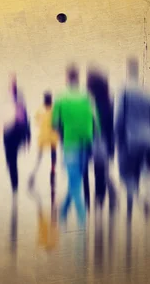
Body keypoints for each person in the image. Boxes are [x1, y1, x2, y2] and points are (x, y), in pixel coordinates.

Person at [115, 57, 150, 221]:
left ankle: (142, 200)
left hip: (130, 140)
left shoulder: (123, 91)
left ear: (127, 71)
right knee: (144, 171)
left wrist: (118, 140)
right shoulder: (148, 91)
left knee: (125, 175)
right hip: (148, 139)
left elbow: (119, 118)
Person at [52, 64, 96, 228]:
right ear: (78, 78)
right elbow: (95, 120)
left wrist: (64, 130)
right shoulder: (88, 96)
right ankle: (63, 213)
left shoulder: (61, 97)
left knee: (75, 182)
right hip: (87, 143)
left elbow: (55, 124)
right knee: (75, 179)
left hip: (70, 143)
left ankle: (82, 220)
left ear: (66, 78)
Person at [87, 68, 118, 210]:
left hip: (94, 140)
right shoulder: (109, 100)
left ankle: (99, 199)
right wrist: (112, 145)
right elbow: (112, 124)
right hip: (105, 141)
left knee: (97, 171)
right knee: (101, 172)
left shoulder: (90, 102)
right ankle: (102, 198)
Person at [3, 76, 30, 195]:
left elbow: (25, 118)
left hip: (13, 134)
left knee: (11, 160)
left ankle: (15, 186)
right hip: (11, 133)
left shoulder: (19, 101)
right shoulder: (11, 100)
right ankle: (14, 184)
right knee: (10, 160)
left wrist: (28, 136)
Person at [28, 92, 59, 190]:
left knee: (39, 156)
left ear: (44, 99)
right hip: (53, 136)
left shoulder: (40, 109)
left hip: (43, 136)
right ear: (51, 99)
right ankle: (53, 171)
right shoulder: (55, 109)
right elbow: (59, 122)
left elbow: (36, 121)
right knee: (53, 154)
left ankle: (34, 173)